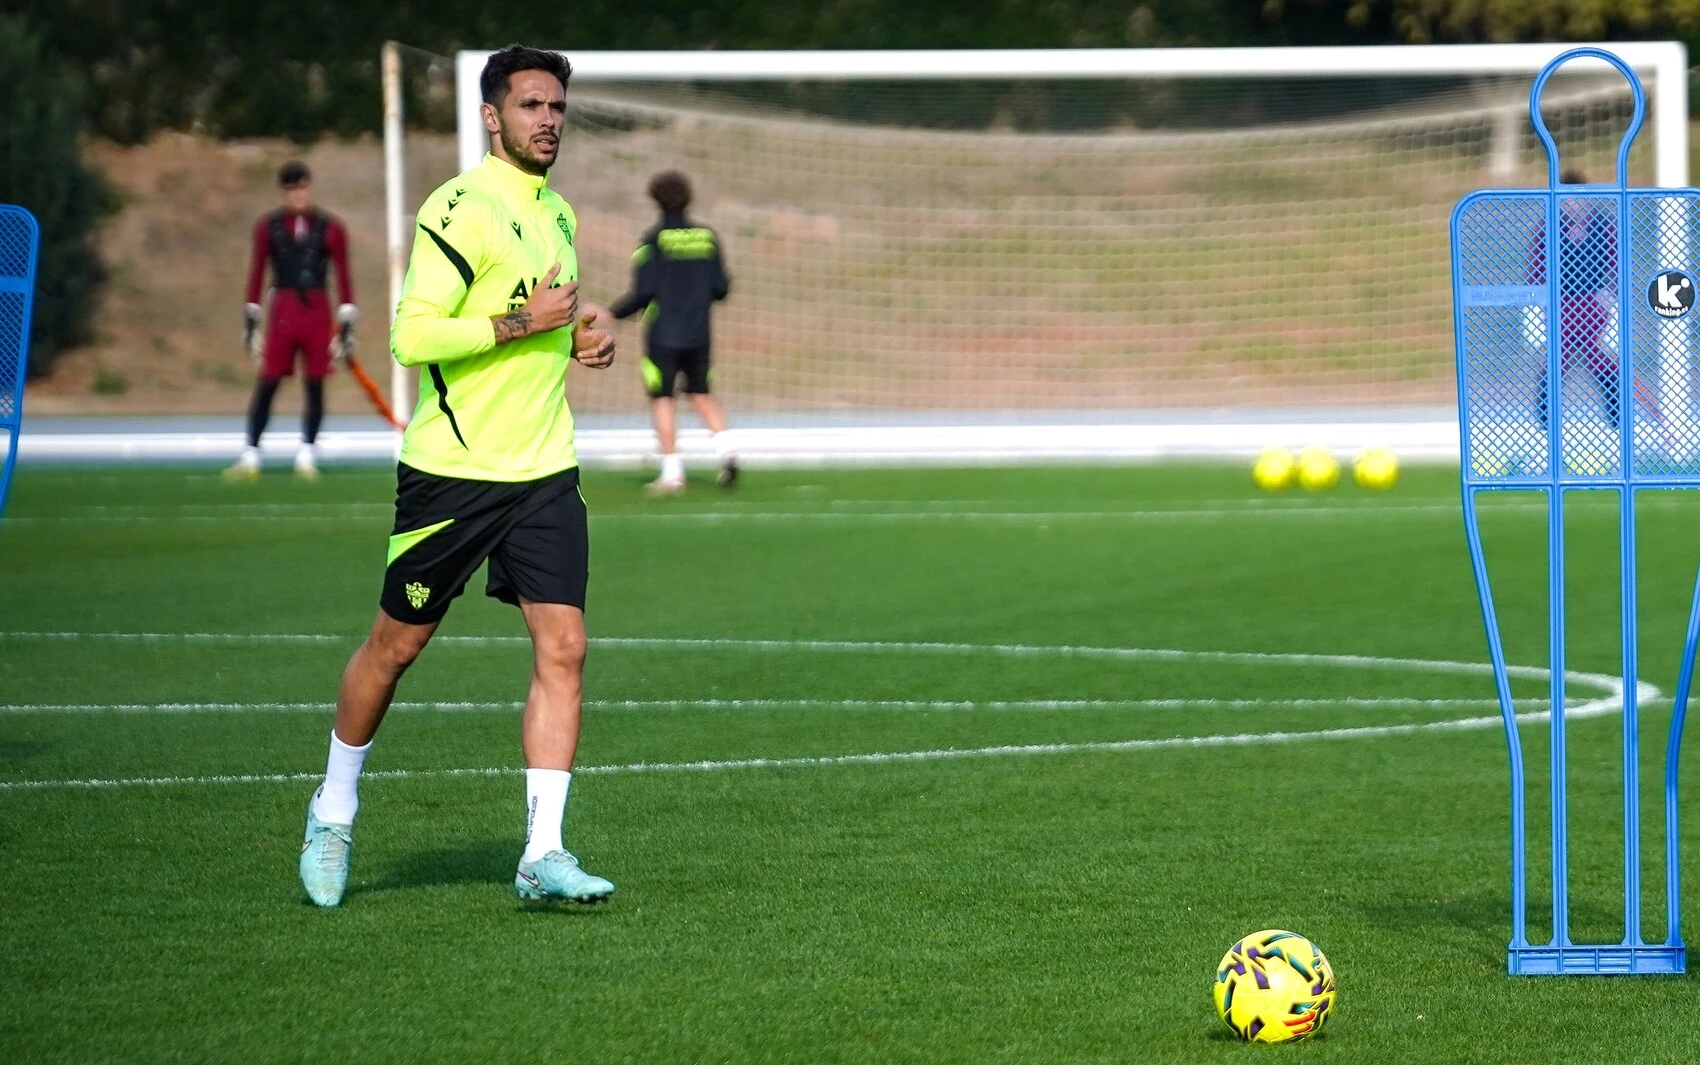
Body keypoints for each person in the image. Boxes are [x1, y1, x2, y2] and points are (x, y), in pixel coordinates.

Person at [297, 45, 617, 908]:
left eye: (557, 106)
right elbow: (413, 336)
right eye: (531, 105)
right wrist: (523, 323)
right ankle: (333, 810)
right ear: (491, 116)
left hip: (545, 470)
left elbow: (546, 320)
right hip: (453, 472)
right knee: (395, 647)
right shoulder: (459, 207)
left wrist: (579, 338)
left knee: (566, 646)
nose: (548, 120)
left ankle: (542, 852)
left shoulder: (558, 213)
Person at [604, 170, 735, 494]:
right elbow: (721, 288)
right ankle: (727, 453)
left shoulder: (653, 240)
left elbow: (643, 293)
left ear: (655, 200)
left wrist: (612, 313)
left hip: (663, 333)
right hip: (699, 332)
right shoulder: (707, 237)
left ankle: (672, 473)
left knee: (662, 397)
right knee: (700, 392)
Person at [226, 161, 356, 481]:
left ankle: (307, 453)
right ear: (283, 192)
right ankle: (251, 453)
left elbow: (342, 273)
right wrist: (251, 314)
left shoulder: (330, 228)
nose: (298, 194)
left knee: (315, 382)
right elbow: (258, 269)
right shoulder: (269, 227)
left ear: (309, 188)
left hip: (316, 308)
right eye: (291, 188)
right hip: (284, 308)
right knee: (269, 381)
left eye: (302, 187)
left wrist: (346, 319)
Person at [1528, 167, 1663, 431]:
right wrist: (1538, 302)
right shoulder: (1548, 227)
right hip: (1561, 305)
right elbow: (1537, 266)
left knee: (1601, 359)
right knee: (1558, 360)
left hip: (1595, 305)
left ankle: (1620, 418)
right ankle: (1545, 422)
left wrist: (1612, 295)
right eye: (1565, 201)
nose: (1572, 206)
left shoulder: (1603, 226)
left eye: (1576, 199)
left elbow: (1617, 263)